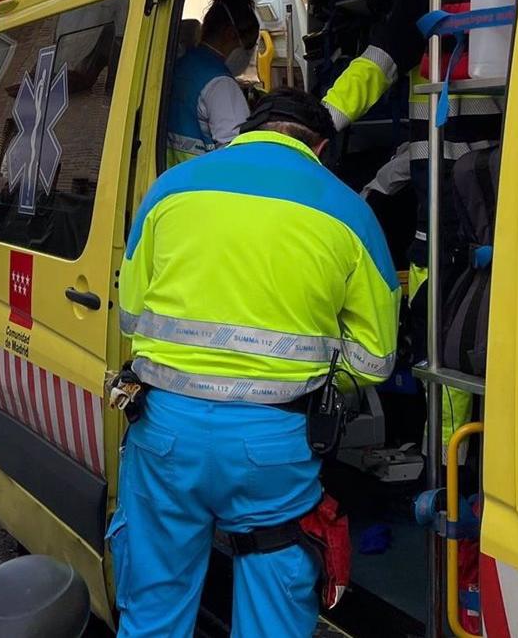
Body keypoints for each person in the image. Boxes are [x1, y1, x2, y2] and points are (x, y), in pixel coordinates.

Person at [112, 89, 399, 637]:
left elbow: (132, 316)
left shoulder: (169, 189)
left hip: (165, 433)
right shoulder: (348, 211)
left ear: (246, 130)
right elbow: (375, 358)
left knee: (153, 611)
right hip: (275, 444)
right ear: (318, 145)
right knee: (273, 613)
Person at [320, 0, 497, 447]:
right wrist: (376, 185)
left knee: (436, 348)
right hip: (492, 205)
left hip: (441, 216)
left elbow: (375, 67)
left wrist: (319, 120)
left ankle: (444, 471)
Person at [165, 0, 261, 166]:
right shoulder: (220, 84)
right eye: (248, 46)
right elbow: (237, 154)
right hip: (199, 182)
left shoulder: (179, 64)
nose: (248, 54)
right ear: (230, 34)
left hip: (168, 177)